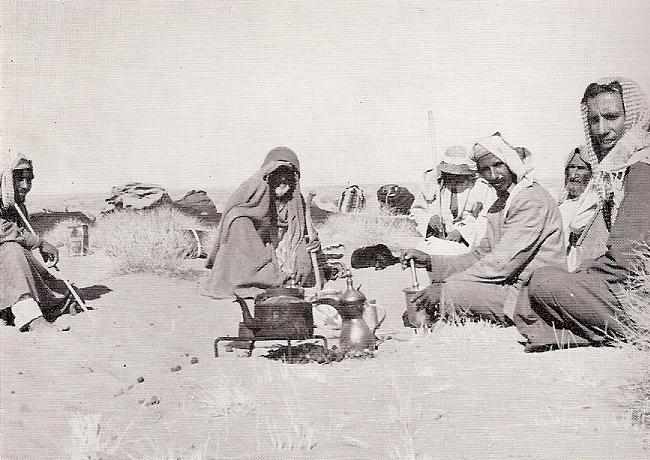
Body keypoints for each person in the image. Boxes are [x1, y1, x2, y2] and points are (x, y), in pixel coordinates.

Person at [515, 77, 650, 352]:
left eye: (612, 117)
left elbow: (625, 261)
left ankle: (635, 328)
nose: (602, 130)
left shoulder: (641, 169)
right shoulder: (622, 170)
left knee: (543, 282)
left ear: (633, 116)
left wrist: (583, 274)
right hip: (632, 285)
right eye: (593, 120)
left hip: (640, 292)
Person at [401, 133, 565, 325]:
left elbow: (501, 265)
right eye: (485, 169)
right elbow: (479, 256)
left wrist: (445, 287)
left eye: (498, 165)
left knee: (450, 292)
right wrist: (431, 261)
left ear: (510, 163)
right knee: (443, 290)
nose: (493, 175)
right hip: (511, 288)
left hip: (534, 295)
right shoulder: (501, 204)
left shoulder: (530, 200)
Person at [204, 147, 323, 299]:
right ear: (268, 176)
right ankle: (262, 279)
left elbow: (306, 235)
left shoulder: (297, 203)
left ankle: (282, 280)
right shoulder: (257, 199)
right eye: (277, 175)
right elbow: (235, 203)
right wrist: (264, 171)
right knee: (239, 221)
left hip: (284, 258)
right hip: (259, 255)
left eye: (287, 176)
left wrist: (310, 247)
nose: (282, 181)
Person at [0, 152, 72, 331]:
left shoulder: (17, 206)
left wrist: (36, 246)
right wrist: (40, 243)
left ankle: (47, 304)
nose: (25, 186)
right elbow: (4, 231)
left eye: (29, 180)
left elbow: (22, 242)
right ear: (6, 180)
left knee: (60, 289)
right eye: (19, 179)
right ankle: (31, 318)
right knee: (11, 249)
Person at [410, 145, 496, 255]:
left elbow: (488, 219)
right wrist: (429, 219)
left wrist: (462, 232)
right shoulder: (432, 184)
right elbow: (417, 211)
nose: (454, 179)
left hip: (470, 245)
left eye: (459, 176)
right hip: (438, 242)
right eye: (450, 175)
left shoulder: (482, 187)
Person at [557, 146, 593, 271]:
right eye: (571, 167)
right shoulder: (562, 199)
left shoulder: (594, 199)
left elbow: (577, 225)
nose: (574, 174)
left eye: (581, 168)